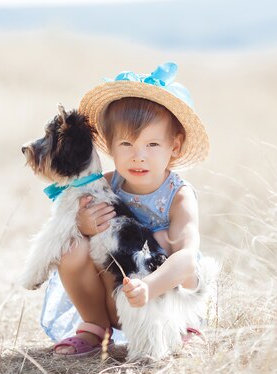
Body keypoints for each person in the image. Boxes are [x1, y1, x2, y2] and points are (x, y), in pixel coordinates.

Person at [41, 62, 210, 357]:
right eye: (127, 143)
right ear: (110, 145)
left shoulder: (179, 196)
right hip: (119, 298)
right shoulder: (106, 186)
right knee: (72, 244)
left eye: (153, 144)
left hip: (165, 297)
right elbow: (77, 230)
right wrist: (84, 225)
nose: (138, 156)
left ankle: (184, 328)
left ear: (176, 146)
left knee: (160, 245)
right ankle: (96, 326)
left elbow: (187, 259)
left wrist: (150, 287)